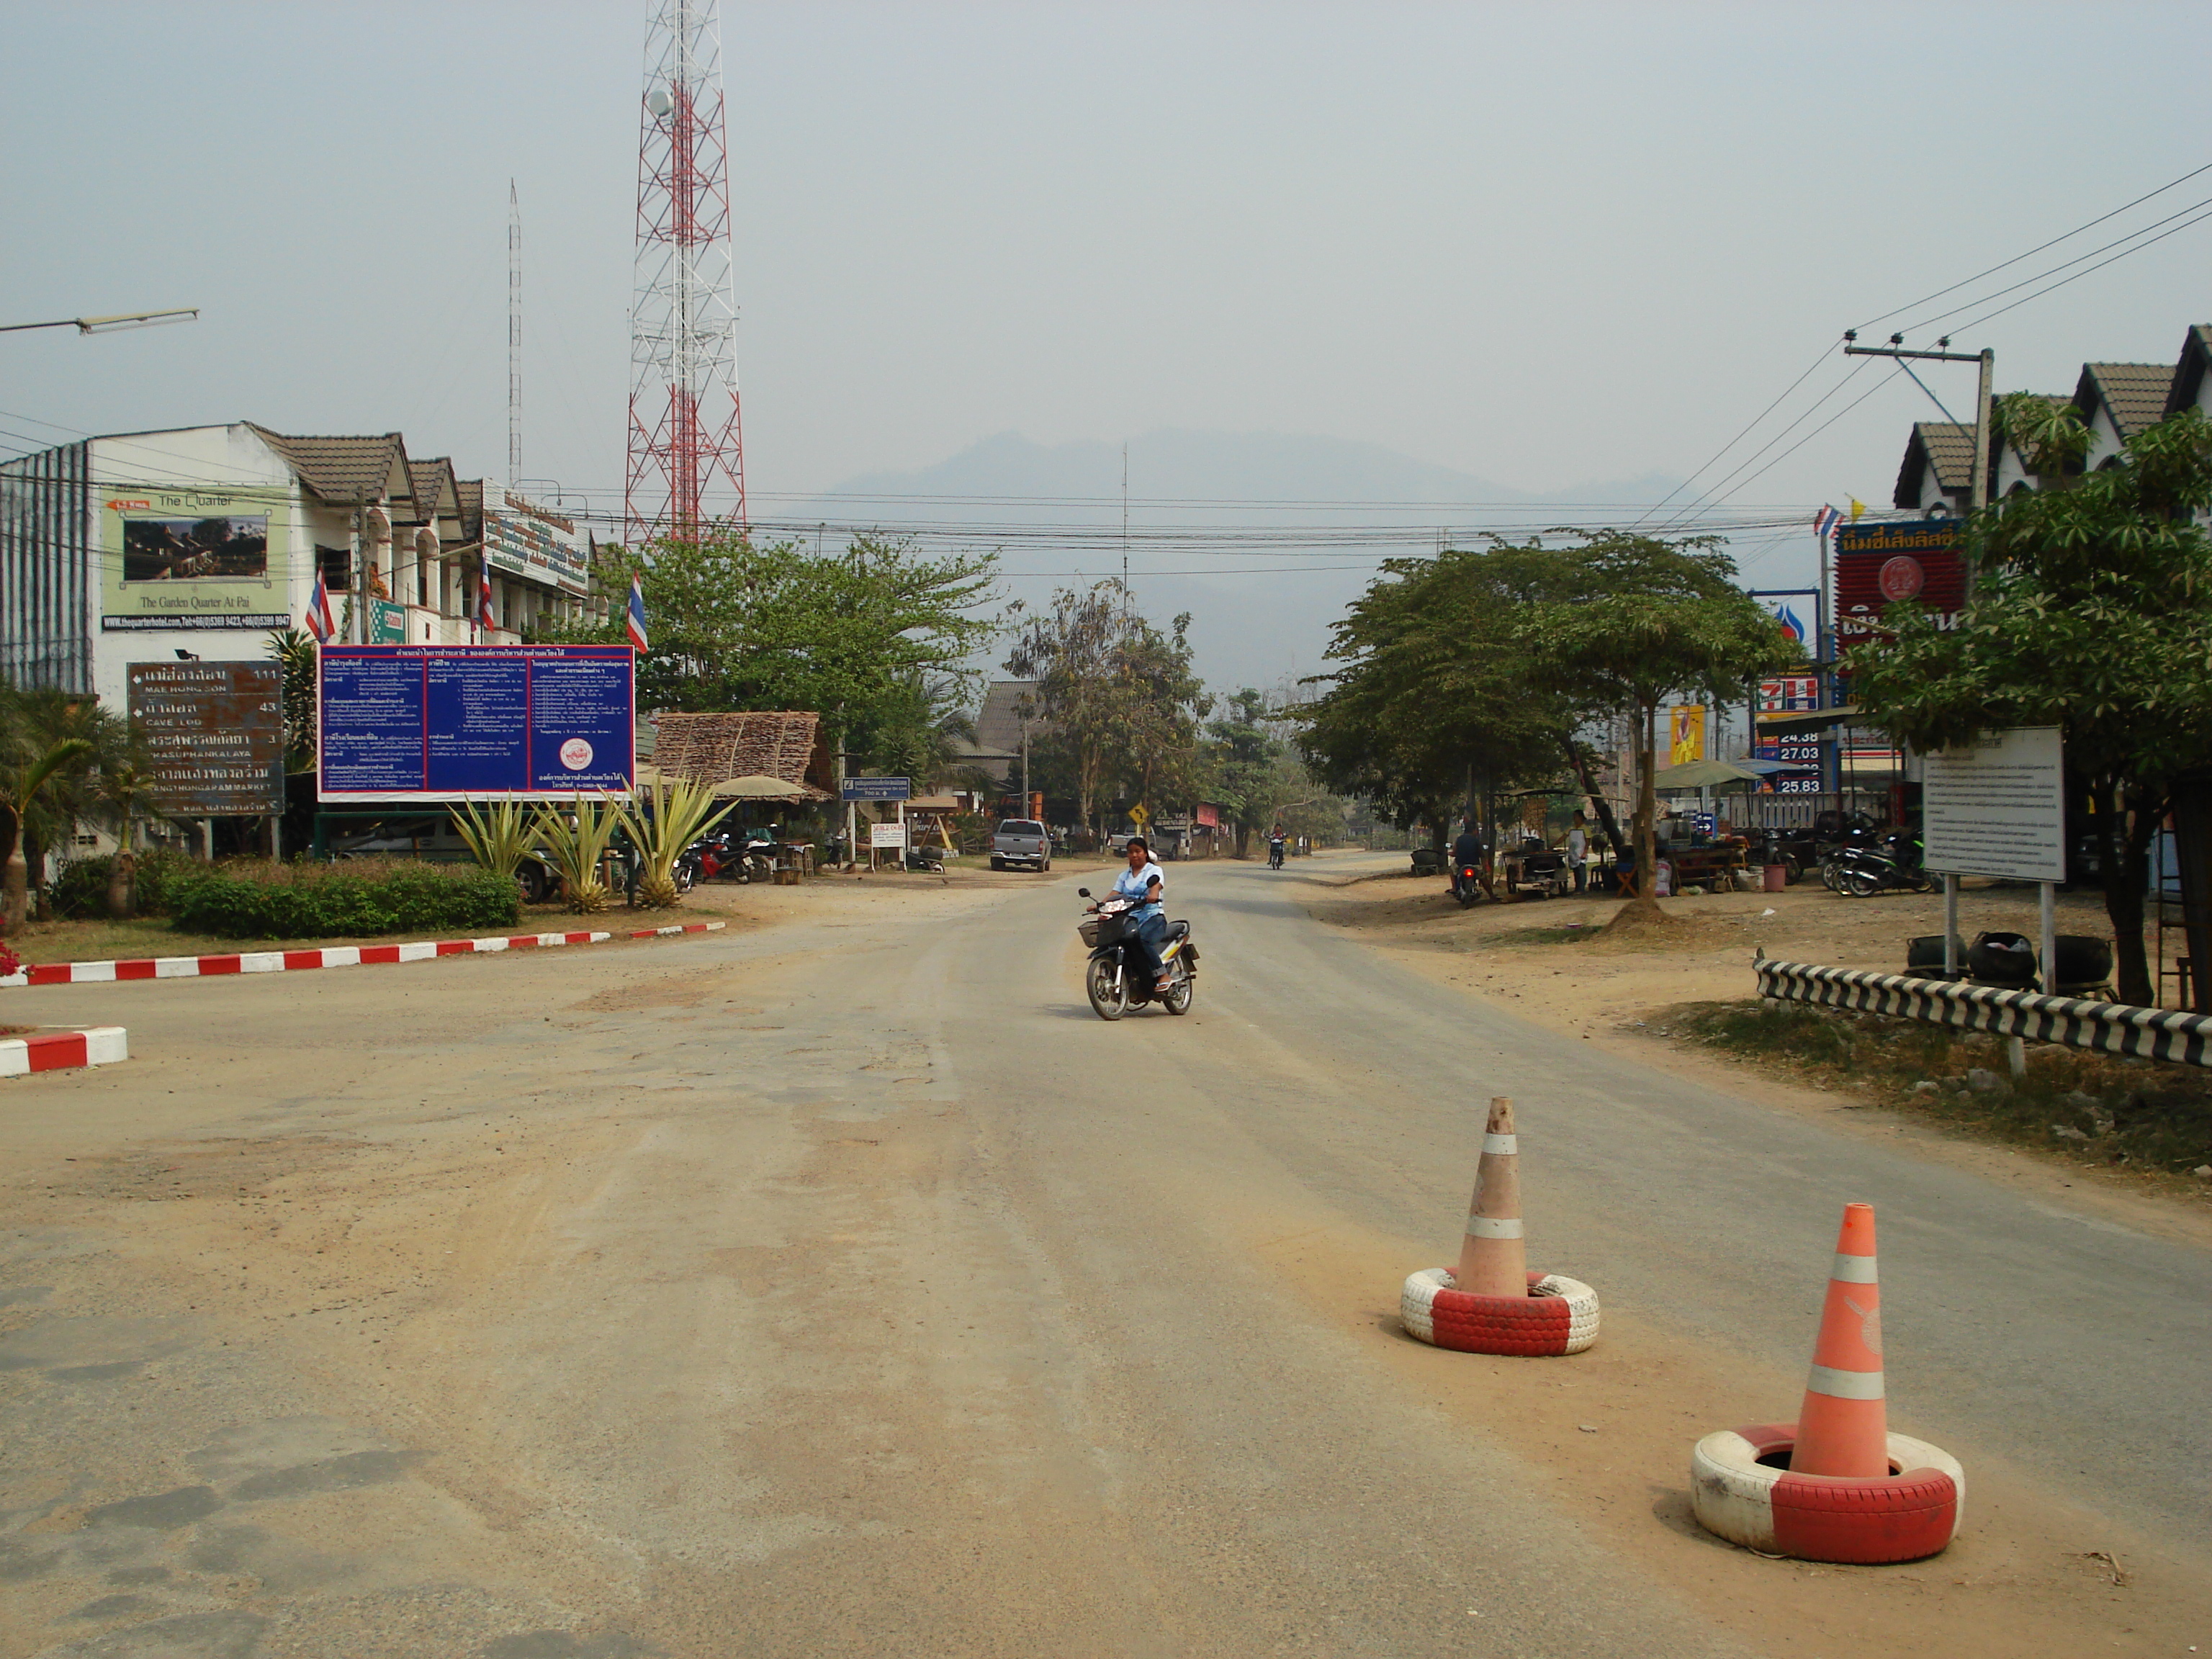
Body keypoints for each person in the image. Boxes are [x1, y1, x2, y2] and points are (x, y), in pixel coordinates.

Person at [1113, 835, 1172, 993]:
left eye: (1138, 851)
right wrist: (1100, 905)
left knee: (1143, 940)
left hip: (1152, 916)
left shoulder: (1154, 870)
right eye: (1131, 852)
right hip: (1131, 917)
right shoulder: (1124, 875)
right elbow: (1115, 892)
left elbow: (1157, 885)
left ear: (1145, 853)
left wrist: (1153, 895)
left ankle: (1163, 975)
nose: (1134, 855)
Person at [1567, 810, 1589, 894]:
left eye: (1575, 816)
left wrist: (1585, 852)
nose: (1574, 818)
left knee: (1581, 871)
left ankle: (1581, 889)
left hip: (1581, 852)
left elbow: (1587, 841)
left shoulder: (1585, 829)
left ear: (1580, 817)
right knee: (1576, 871)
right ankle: (1577, 888)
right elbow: (1563, 837)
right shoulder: (1571, 828)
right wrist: (1553, 845)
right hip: (1573, 853)